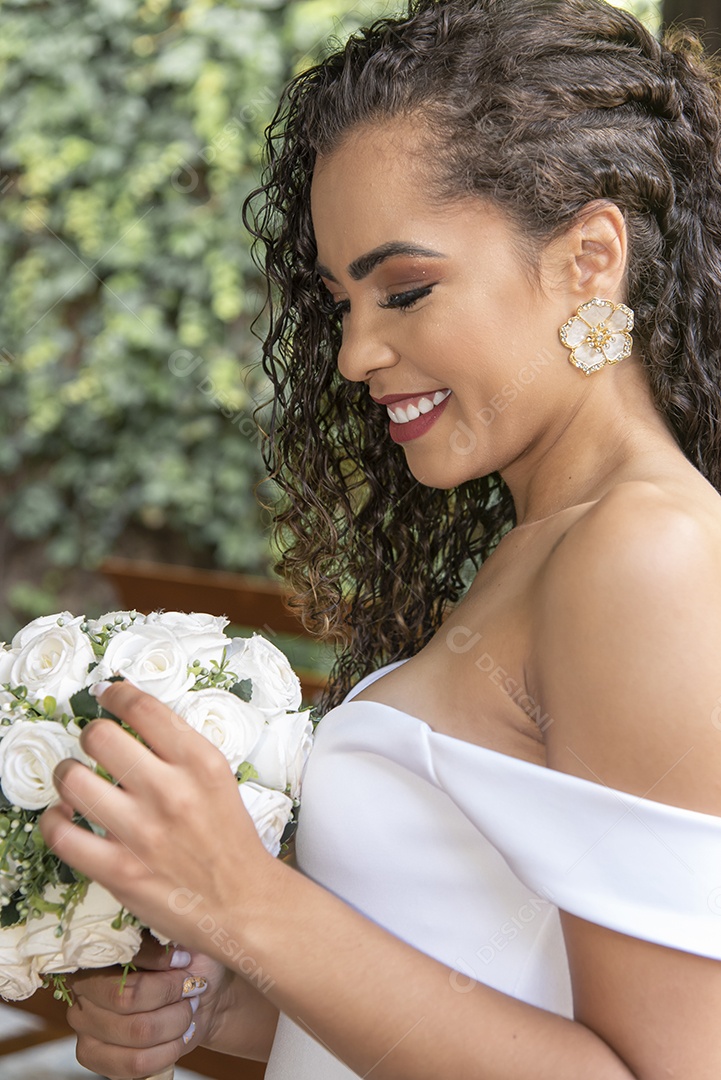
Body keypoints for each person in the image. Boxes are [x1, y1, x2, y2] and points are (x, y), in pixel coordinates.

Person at [40, 0, 721, 1077]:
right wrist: (214, 1011)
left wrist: (246, 905)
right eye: (339, 300)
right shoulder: (546, 540)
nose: (357, 351)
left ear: (590, 258)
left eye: (405, 289)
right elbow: (481, 986)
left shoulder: (647, 555)